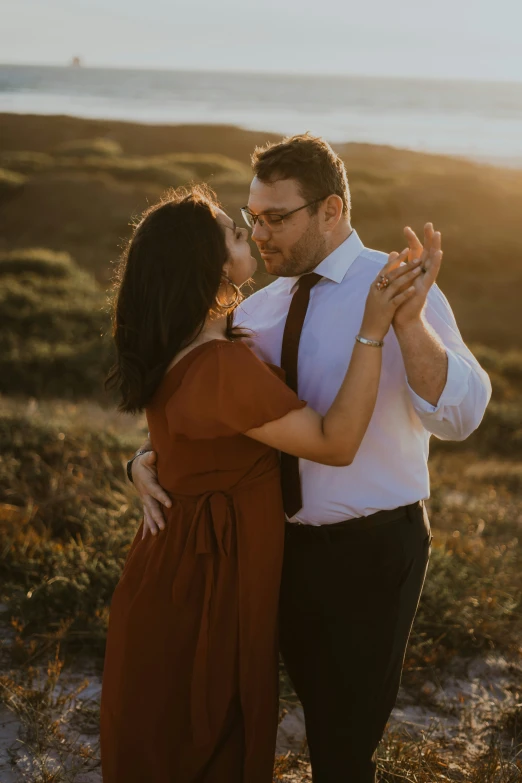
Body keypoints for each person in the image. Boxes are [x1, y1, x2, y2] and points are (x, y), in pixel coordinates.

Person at [132, 135, 492, 782]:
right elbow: (212, 405)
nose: (260, 235)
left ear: (331, 210)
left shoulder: (397, 285)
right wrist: (147, 459)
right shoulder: (254, 310)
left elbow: (462, 415)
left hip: (373, 552)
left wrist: (408, 326)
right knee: (240, 719)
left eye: (277, 218)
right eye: (253, 220)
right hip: (268, 551)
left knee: (341, 744)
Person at [100, 183, 424, 783]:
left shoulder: (204, 340)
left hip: (188, 566)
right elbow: (336, 443)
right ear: (212, 264)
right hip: (207, 578)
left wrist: (141, 460)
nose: (248, 232)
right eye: (233, 231)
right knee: (204, 736)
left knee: (186, 732)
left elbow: (190, 432)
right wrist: (373, 326)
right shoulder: (218, 361)